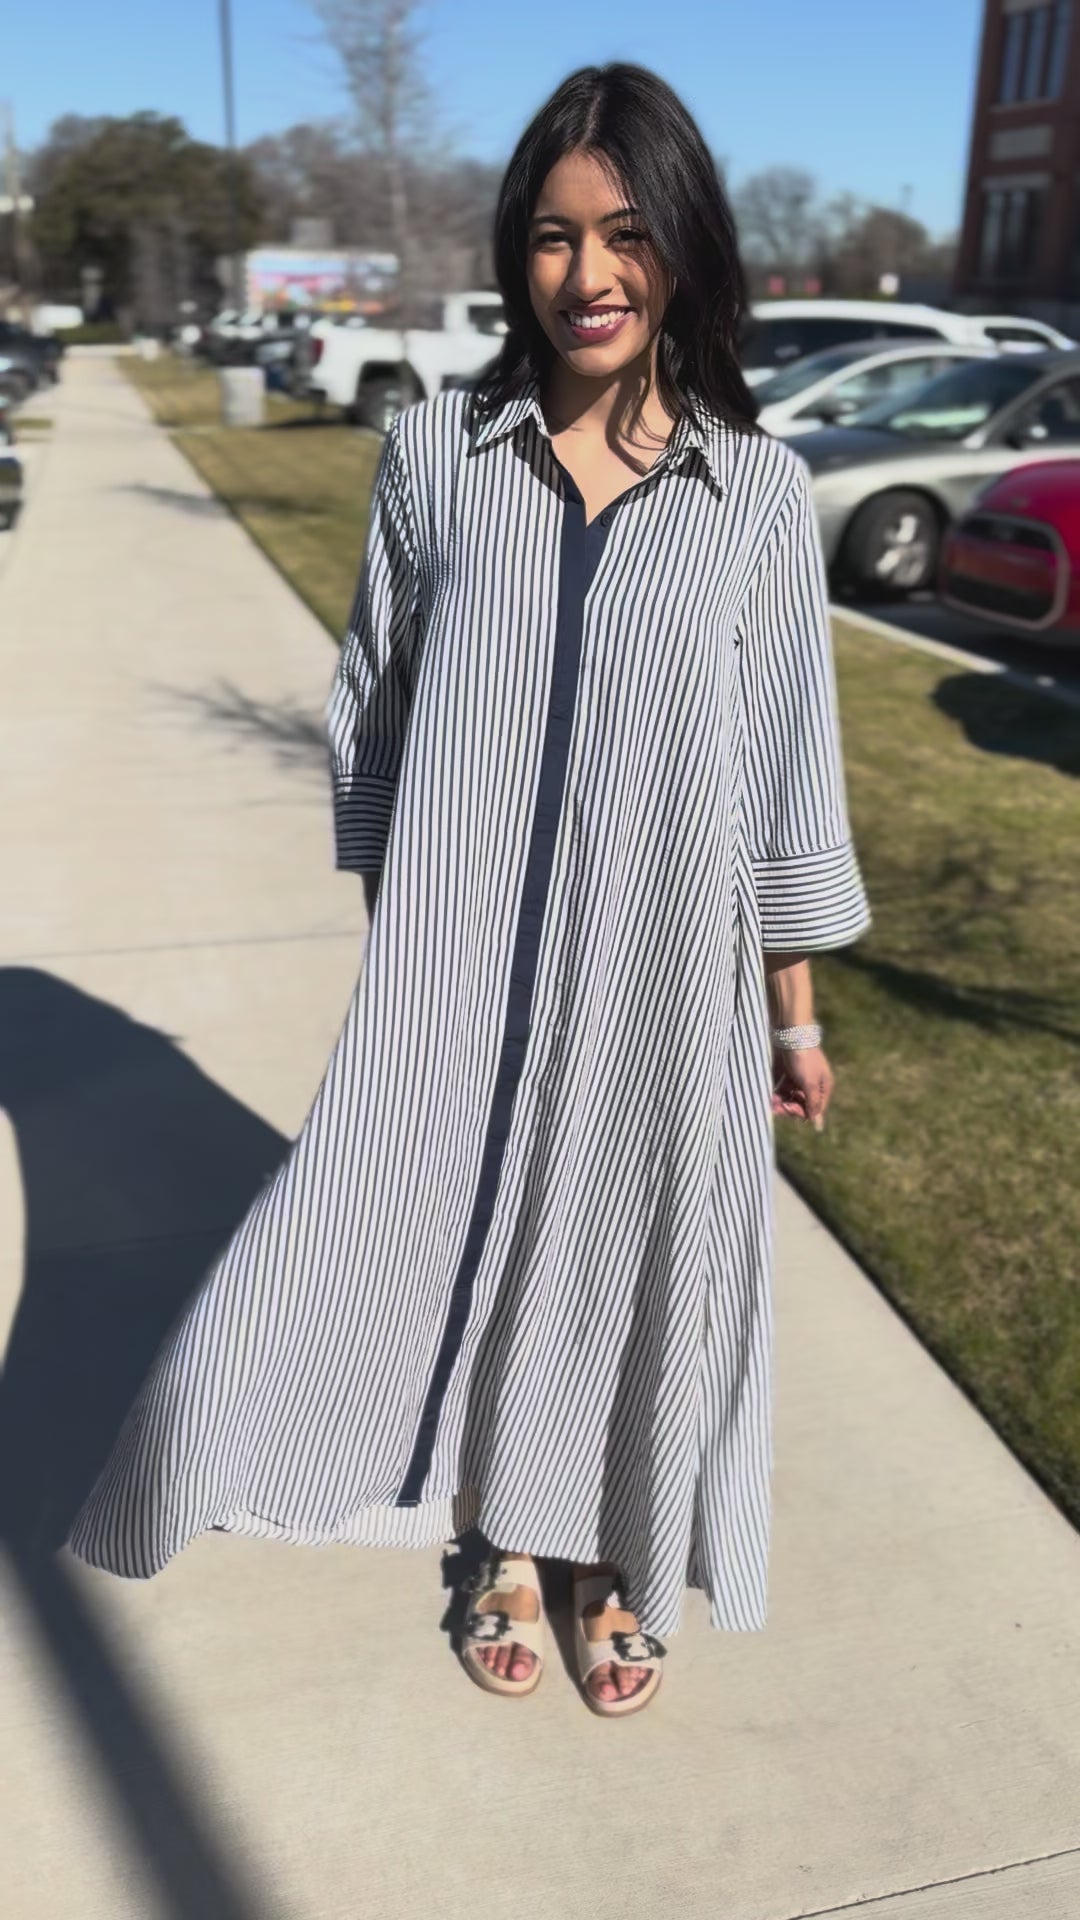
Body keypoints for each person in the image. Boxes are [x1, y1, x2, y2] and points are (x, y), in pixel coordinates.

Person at [70, 63, 871, 1719]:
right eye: (555, 238)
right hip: (454, 967)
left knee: (616, 1254)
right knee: (389, 1251)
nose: (589, 278)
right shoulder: (439, 456)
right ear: (516, 255)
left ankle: (604, 1553)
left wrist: (792, 1014)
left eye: (629, 236)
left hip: (670, 978)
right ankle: (507, 1536)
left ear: (688, 251)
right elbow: (371, 703)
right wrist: (406, 940)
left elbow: (792, 770)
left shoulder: (760, 498)